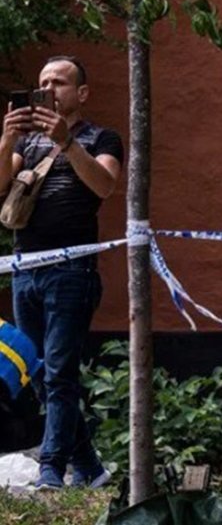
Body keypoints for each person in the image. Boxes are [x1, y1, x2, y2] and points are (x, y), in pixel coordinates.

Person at [0, 56, 124, 490]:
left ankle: (52, 470)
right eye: (43, 82)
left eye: (60, 82)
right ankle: (89, 467)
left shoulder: (101, 137)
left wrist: (67, 142)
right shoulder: (27, 145)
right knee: (38, 373)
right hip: (25, 270)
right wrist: (6, 139)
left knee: (59, 370)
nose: (50, 88)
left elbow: (104, 186)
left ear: (81, 93)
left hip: (72, 270)